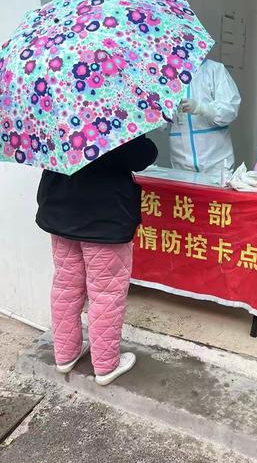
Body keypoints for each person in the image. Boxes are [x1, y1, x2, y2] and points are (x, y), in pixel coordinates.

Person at [36, 135, 158, 386]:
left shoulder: (56, 116)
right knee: (106, 292)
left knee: (65, 286)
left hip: (59, 213)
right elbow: (142, 156)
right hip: (104, 218)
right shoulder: (113, 120)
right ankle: (106, 365)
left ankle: (65, 355)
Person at [169, 59, 241, 175]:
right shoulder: (167, 73)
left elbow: (230, 109)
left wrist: (201, 108)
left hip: (214, 159)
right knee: (183, 192)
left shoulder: (214, 69)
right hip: (180, 157)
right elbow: (158, 123)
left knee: (214, 192)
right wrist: (164, 111)